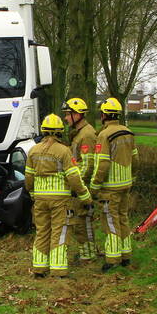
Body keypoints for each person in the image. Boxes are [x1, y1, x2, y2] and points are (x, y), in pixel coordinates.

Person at [26, 114, 91, 277]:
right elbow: (74, 177)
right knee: (59, 232)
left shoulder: (33, 151)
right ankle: (58, 270)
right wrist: (85, 196)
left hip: (40, 200)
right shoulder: (64, 151)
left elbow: (28, 177)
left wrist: (33, 192)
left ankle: (39, 269)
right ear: (59, 132)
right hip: (60, 200)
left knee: (41, 232)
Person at [90, 98, 138, 271]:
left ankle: (112, 259)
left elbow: (102, 164)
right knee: (123, 218)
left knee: (110, 221)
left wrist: (94, 186)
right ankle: (126, 256)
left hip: (110, 188)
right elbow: (135, 159)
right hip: (126, 185)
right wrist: (132, 176)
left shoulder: (104, 135)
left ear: (103, 115)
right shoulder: (128, 133)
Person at [62, 97, 99, 262]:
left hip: (82, 187)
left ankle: (88, 254)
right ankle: (87, 252)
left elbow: (87, 165)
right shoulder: (79, 133)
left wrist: (78, 187)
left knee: (83, 222)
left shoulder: (87, 135)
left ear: (77, 115)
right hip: (79, 186)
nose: (65, 118)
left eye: (68, 114)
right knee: (80, 222)